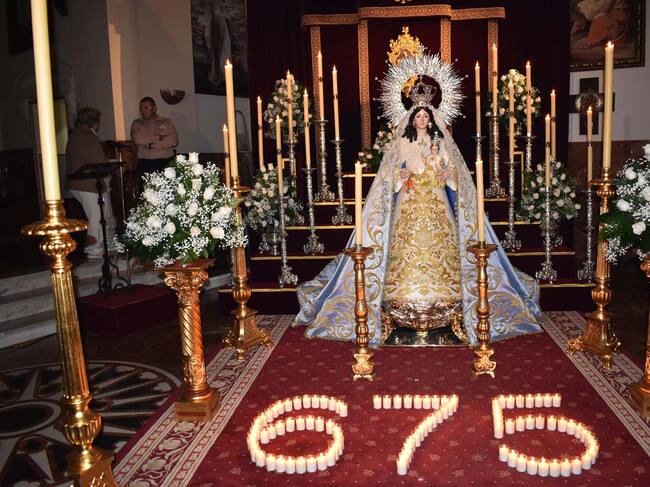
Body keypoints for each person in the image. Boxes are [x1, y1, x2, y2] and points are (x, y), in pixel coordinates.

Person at [294, 56, 542, 347]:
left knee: (443, 246)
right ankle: (396, 297)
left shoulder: (441, 143)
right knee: (404, 247)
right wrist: (401, 175)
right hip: (409, 203)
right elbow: (389, 176)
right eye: (418, 116)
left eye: (426, 116)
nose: (422, 120)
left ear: (431, 118)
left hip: (437, 203)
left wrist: (447, 174)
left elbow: (453, 174)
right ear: (412, 118)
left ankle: (450, 298)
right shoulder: (402, 143)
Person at [65, 106, 115, 258]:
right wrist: (110, 164)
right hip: (87, 183)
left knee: (98, 215)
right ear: (95, 122)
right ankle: (93, 249)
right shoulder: (87, 135)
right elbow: (98, 160)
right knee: (97, 216)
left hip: (80, 182)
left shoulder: (76, 134)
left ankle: (99, 245)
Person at [130, 97, 178, 178]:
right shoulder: (137, 123)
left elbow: (173, 141)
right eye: (141, 108)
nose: (143, 111)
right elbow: (138, 139)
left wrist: (150, 145)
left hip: (166, 162)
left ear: (155, 109)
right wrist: (160, 137)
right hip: (146, 164)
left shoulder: (167, 122)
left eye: (146, 108)